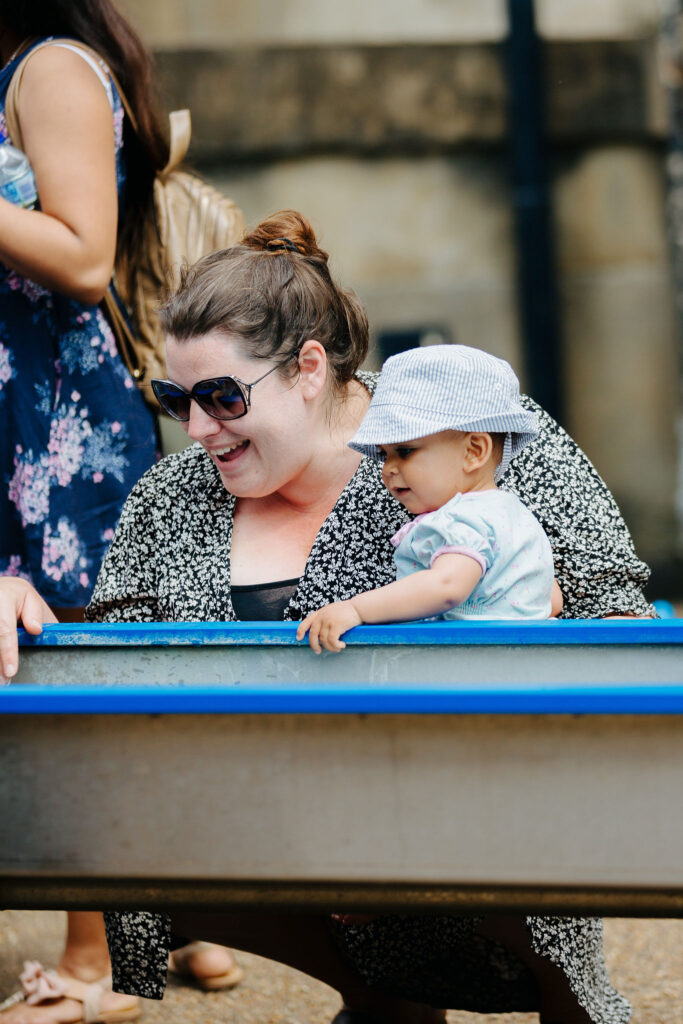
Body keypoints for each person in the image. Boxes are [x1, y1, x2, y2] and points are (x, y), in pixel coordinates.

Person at [0, 209, 654, 1024]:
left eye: (222, 396)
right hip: (274, 836)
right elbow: (118, 668)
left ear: (309, 368)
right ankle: (380, 996)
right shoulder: (172, 499)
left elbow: (614, 608)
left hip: (484, 811)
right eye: (178, 399)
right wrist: (30, 608)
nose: (197, 428)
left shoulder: (461, 429)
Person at [0, 3, 240, 1021]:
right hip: (18, 409)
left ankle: (99, 961)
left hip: (57, 419)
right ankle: (182, 915)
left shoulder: (49, 67)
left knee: (72, 662)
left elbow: (84, 254)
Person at [297, 344, 561, 653]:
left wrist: (356, 609)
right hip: (514, 665)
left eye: (405, 451)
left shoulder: (461, 520)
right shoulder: (515, 515)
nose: (389, 469)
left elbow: (446, 586)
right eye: (385, 455)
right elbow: (551, 596)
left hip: (470, 668)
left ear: (474, 451)